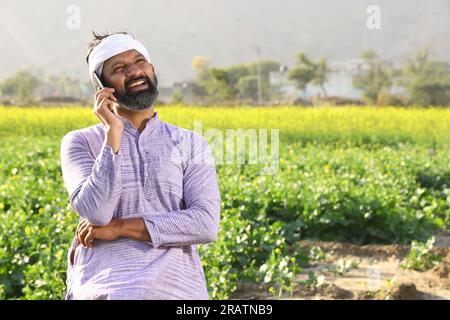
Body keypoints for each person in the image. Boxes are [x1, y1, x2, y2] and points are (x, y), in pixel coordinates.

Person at [60, 31, 221, 299]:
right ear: (103, 87)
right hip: (107, 287)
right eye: (119, 68)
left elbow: (205, 223)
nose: (135, 72)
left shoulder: (191, 143)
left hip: (177, 289)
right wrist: (113, 132)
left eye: (139, 61)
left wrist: (120, 227)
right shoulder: (79, 142)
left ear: (152, 70)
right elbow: (97, 213)